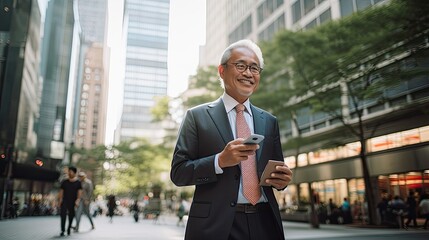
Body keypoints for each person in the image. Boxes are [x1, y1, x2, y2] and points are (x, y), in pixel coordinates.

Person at [170, 39, 293, 240]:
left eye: (254, 68)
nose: (248, 73)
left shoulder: (269, 121)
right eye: (241, 66)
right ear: (222, 71)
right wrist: (219, 161)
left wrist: (282, 181)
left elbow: (276, 171)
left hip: (265, 222)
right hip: (215, 226)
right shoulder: (197, 116)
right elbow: (178, 173)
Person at [58, 166, 82, 236]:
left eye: (71, 172)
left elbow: (79, 192)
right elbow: (61, 191)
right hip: (65, 200)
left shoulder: (78, 182)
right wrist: (60, 199)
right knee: (63, 215)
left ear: (74, 173)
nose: (69, 173)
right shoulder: (64, 182)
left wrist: (78, 200)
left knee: (71, 215)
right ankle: (62, 230)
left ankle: (69, 228)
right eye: (69, 171)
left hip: (73, 201)